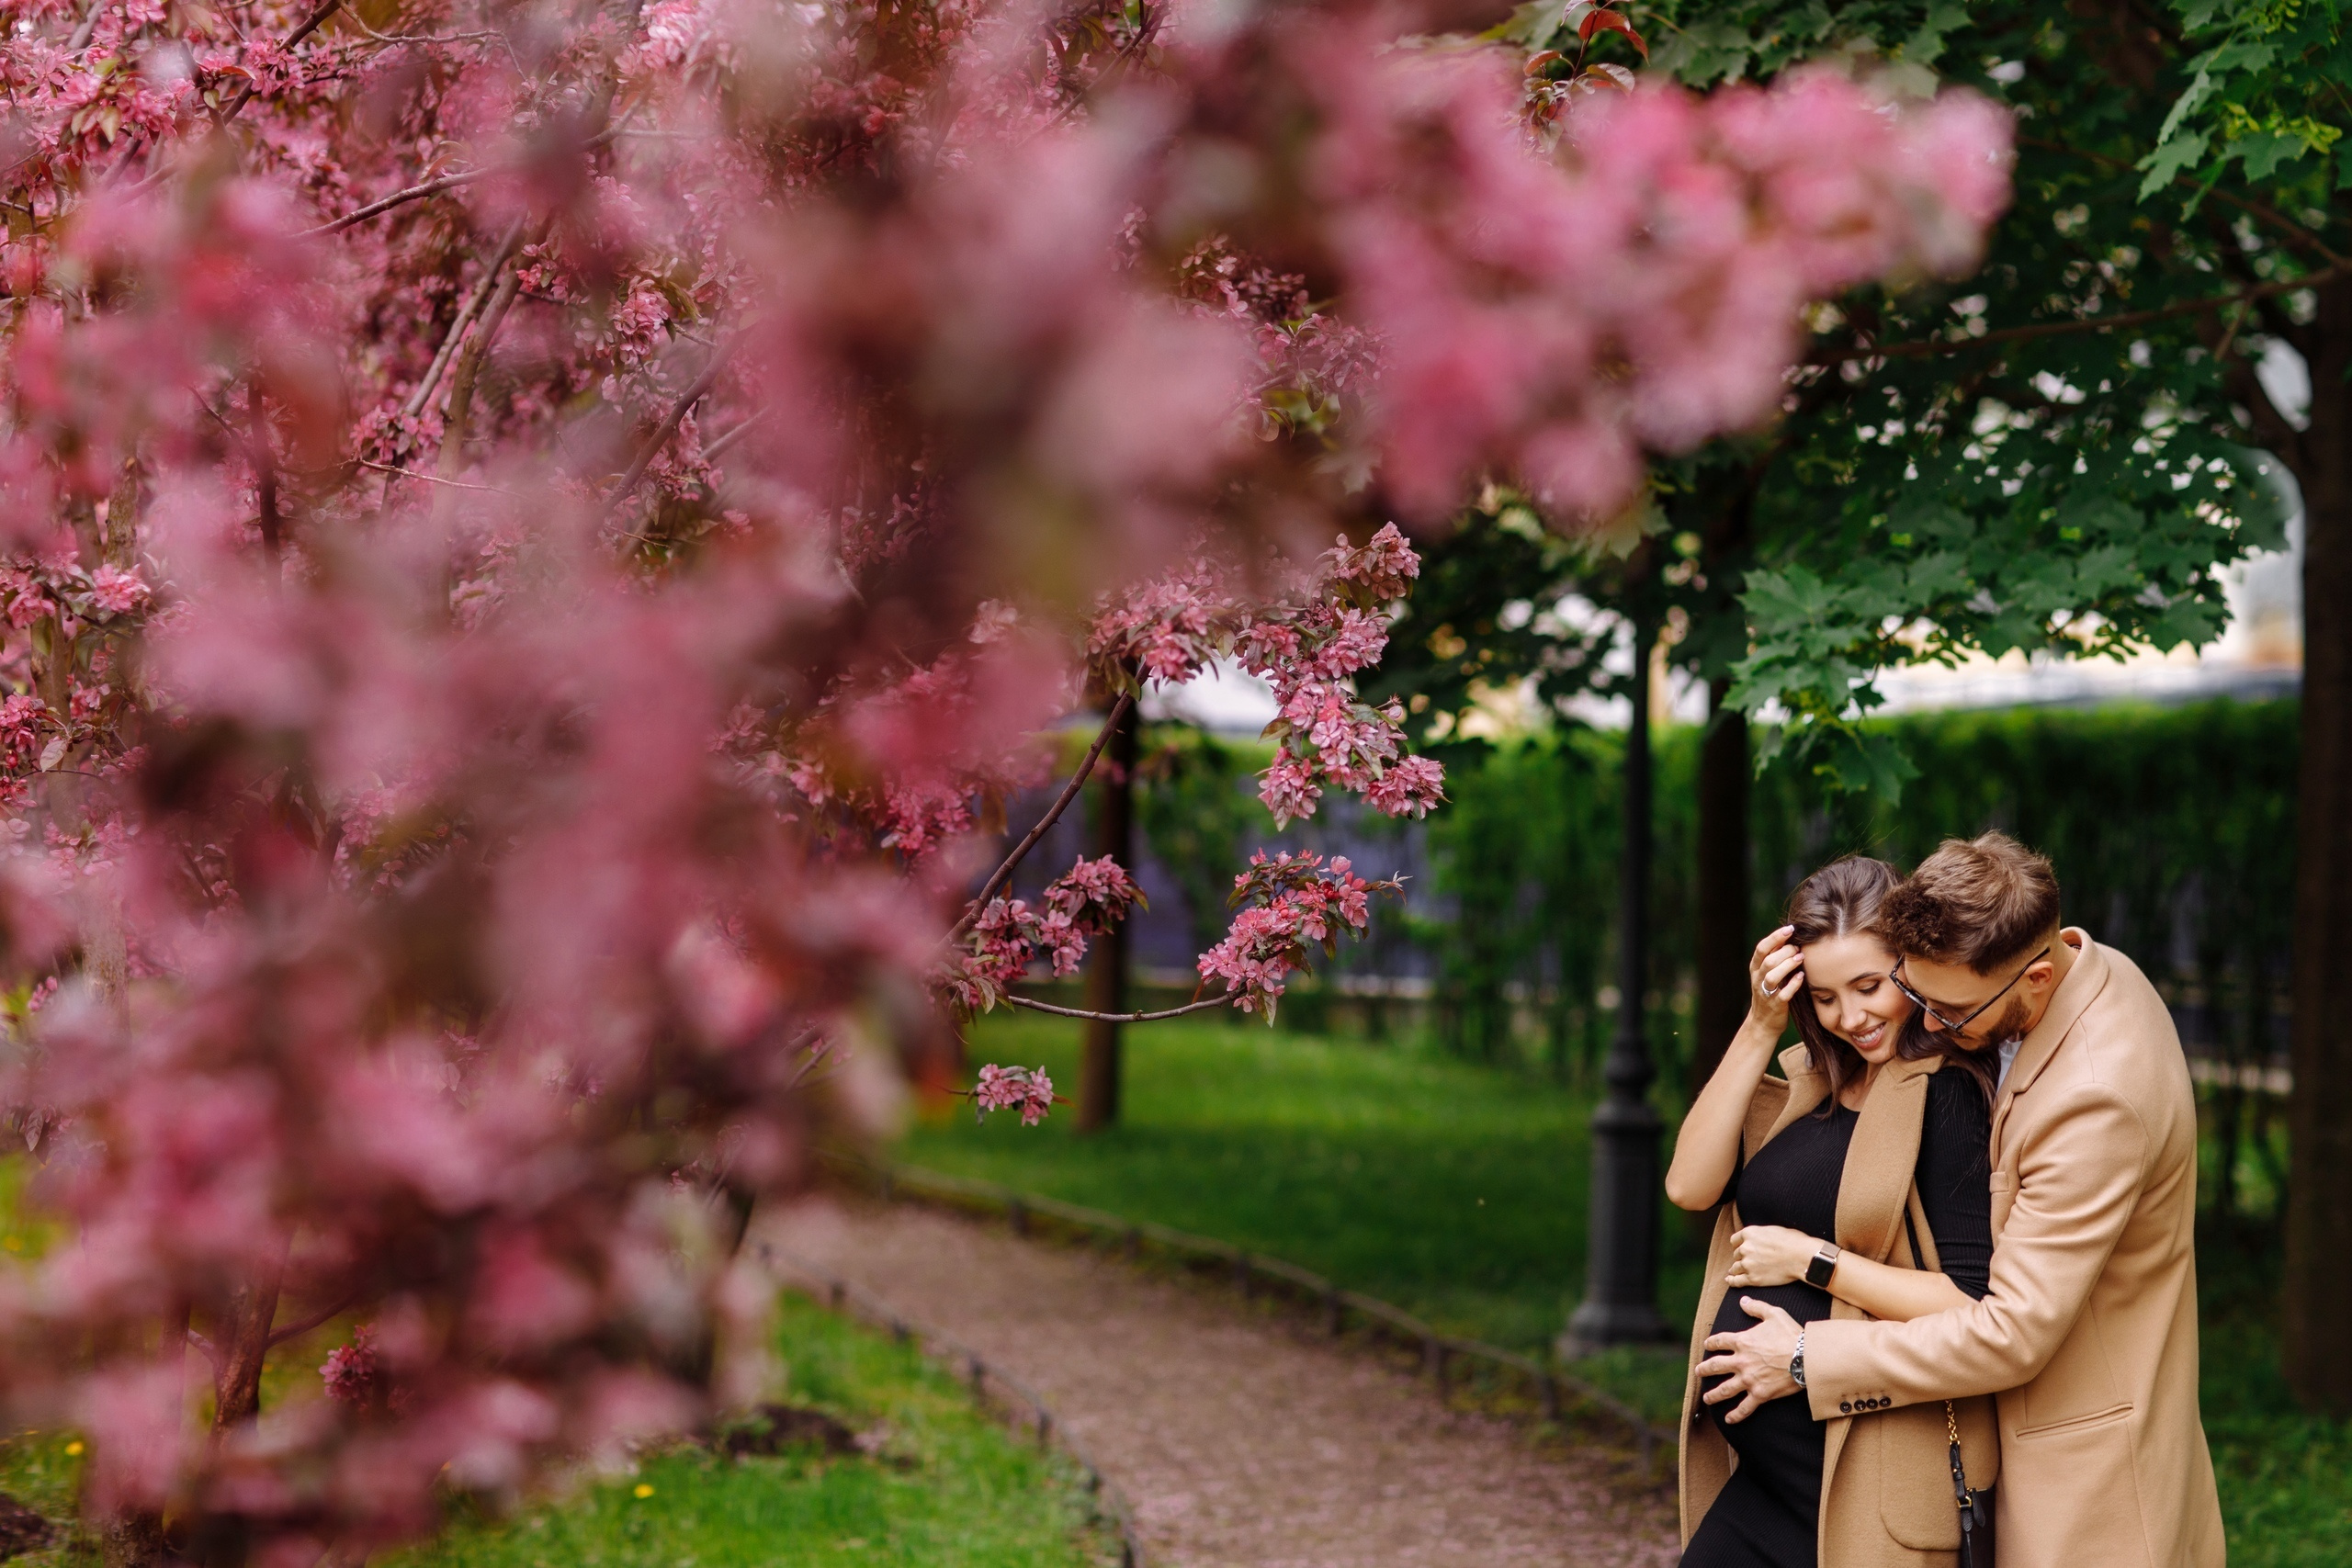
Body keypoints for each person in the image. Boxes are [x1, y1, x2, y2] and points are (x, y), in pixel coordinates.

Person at [1698, 832, 2224, 1568]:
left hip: (2082, 1477)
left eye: (1949, 1007)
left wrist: (1802, 1358)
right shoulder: (2084, 965)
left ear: (2035, 978)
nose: (1934, 1026)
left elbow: (2007, 1329)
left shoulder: (2095, 1099)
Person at [1668, 856, 1999, 1568]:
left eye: (1870, 985)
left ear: (1912, 965)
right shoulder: (1810, 1080)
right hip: (1769, 1485)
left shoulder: (1947, 1095)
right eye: (1823, 996)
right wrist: (1761, 1025)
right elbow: (1690, 1186)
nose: (1851, 1016)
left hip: (1861, 1482)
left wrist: (1809, 1263)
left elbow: (1969, 1301)